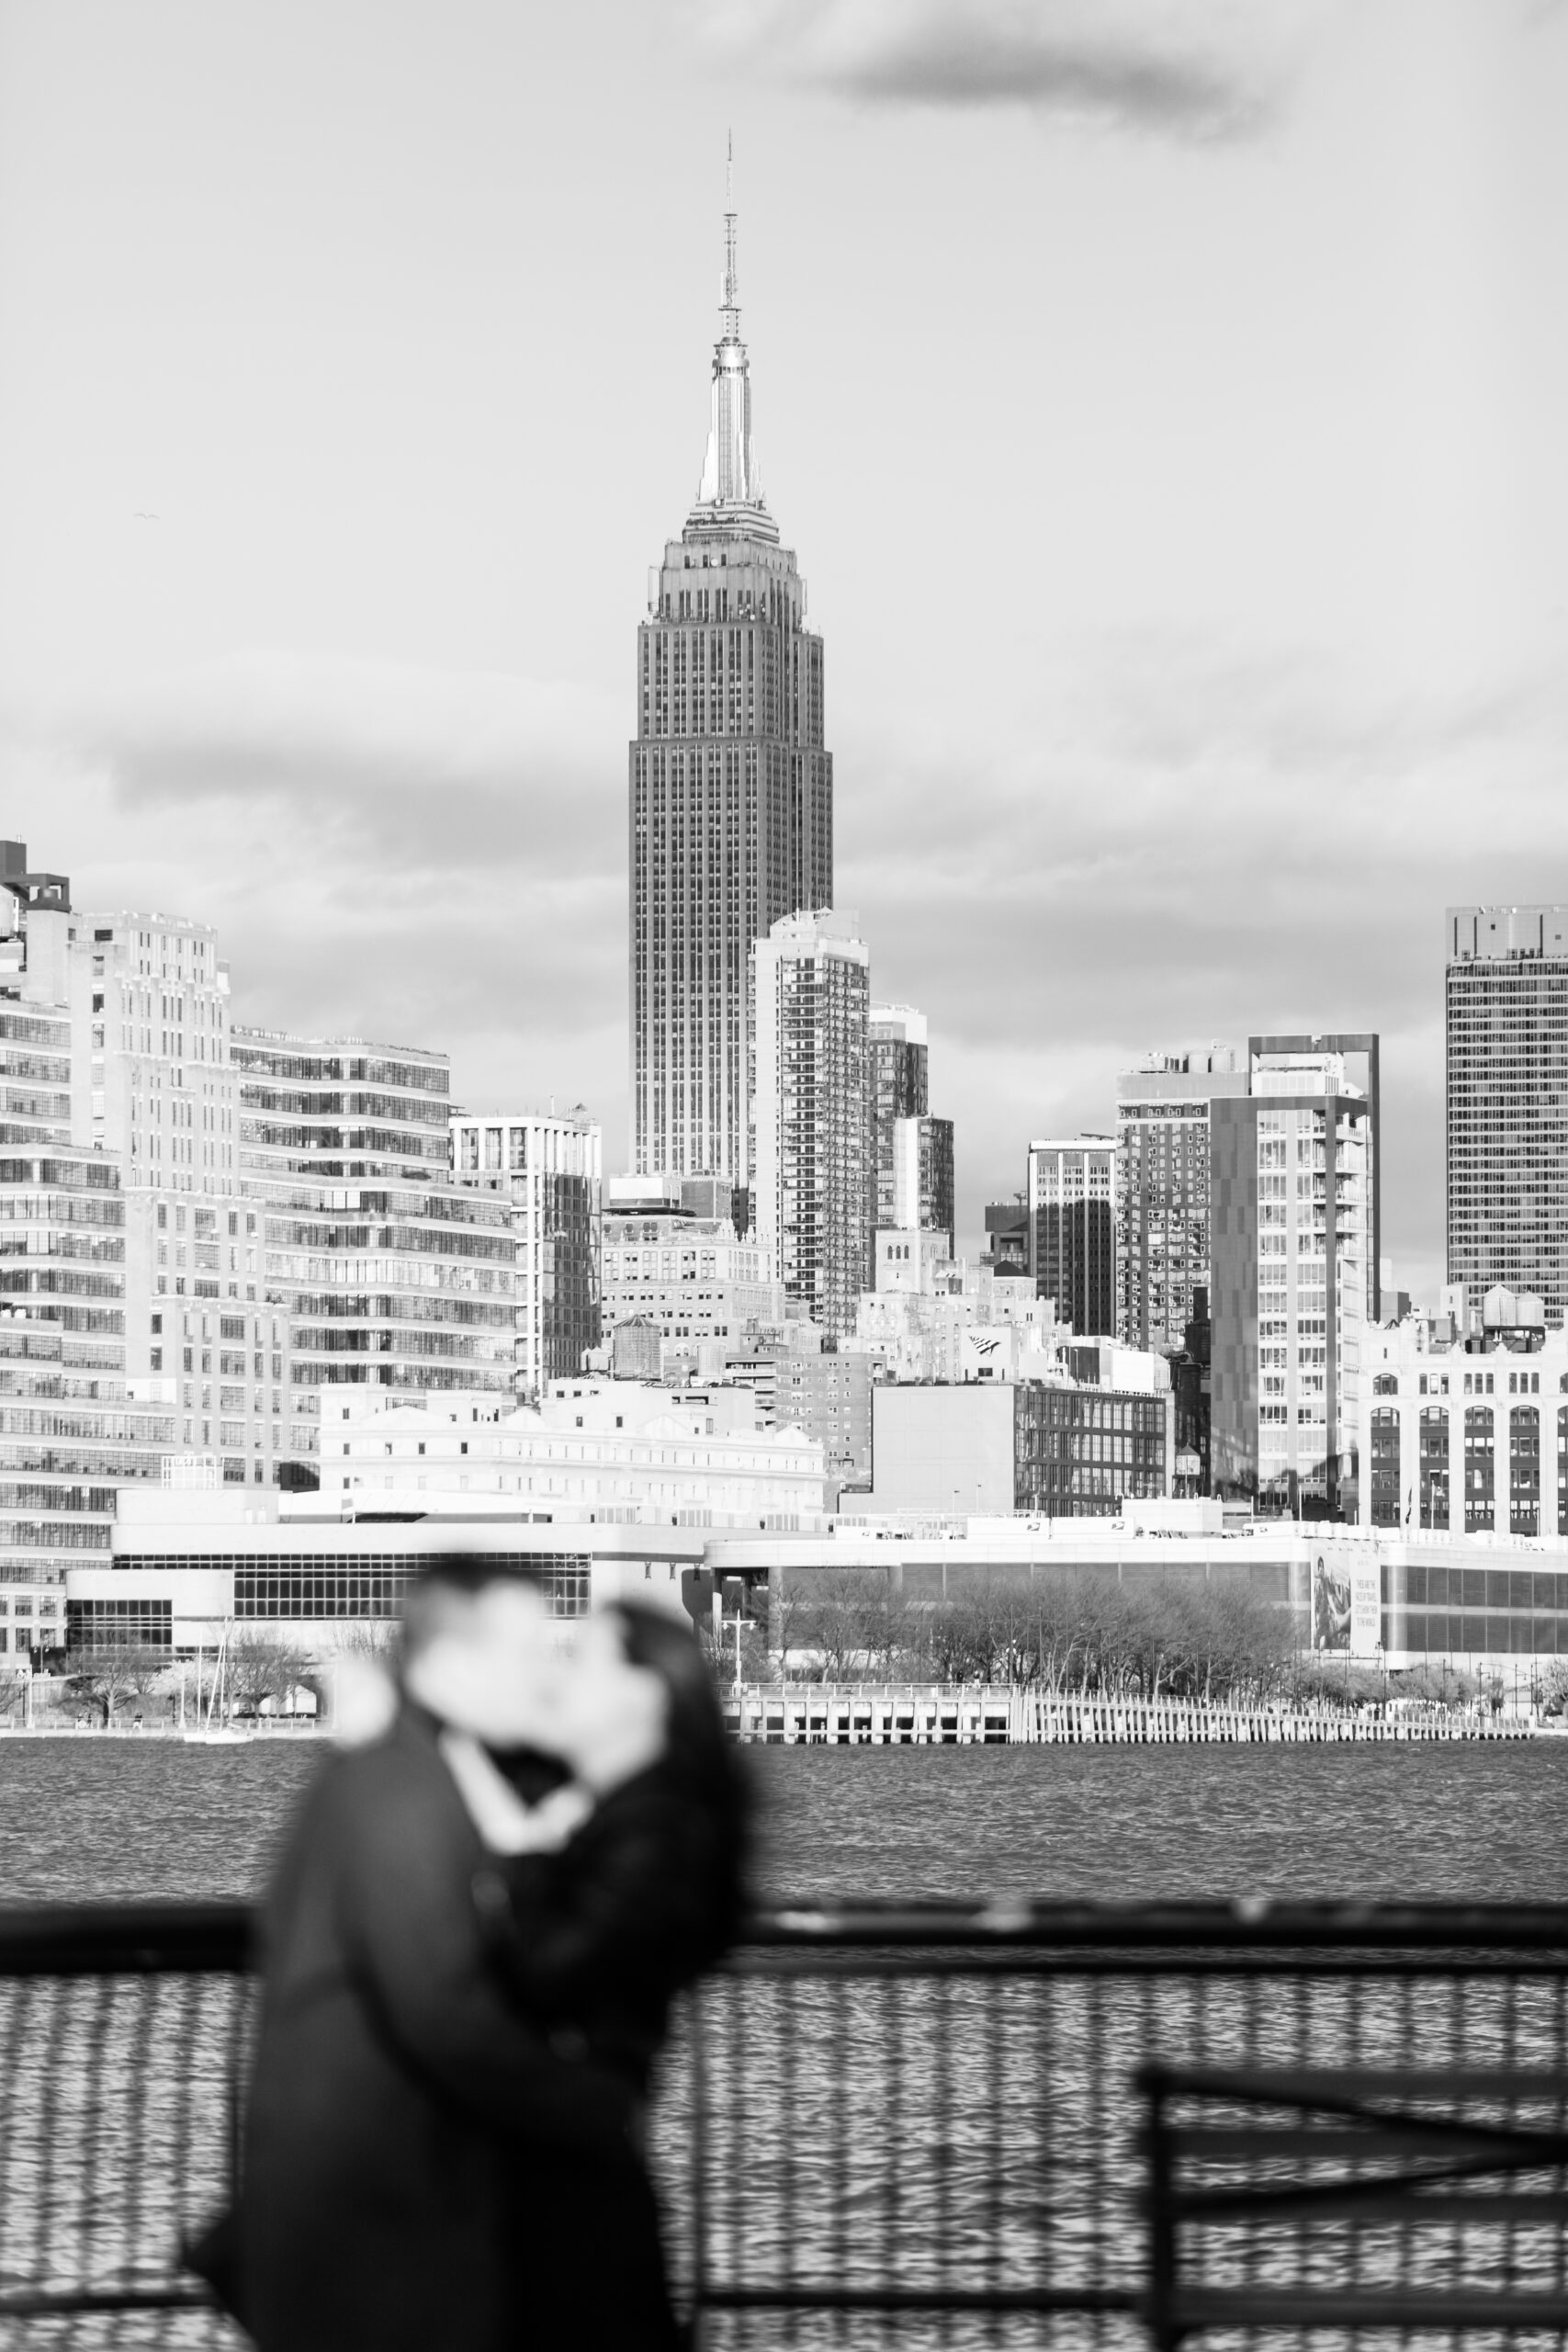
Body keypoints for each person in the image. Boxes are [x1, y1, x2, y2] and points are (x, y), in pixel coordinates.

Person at [207, 1561, 641, 2352]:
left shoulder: (401, 1776)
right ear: (446, 1664)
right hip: (370, 2229)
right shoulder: (402, 1798)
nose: (543, 1672)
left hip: (358, 2210)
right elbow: (442, 2007)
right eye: (522, 1651)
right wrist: (586, 2101)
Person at [442, 1600, 750, 2352]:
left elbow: (553, 1965)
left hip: (575, 2162)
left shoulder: (659, 1829)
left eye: (581, 1660)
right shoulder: (614, 1807)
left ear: (645, 1694)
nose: (557, 1676)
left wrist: (516, 1854)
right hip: (572, 2145)